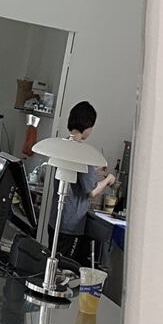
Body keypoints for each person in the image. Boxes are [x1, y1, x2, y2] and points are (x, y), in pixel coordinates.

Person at [47, 101, 115, 266]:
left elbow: (75, 174)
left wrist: (95, 170)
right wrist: (108, 179)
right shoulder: (83, 154)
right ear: (88, 126)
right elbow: (91, 191)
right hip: (71, 224)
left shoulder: (63, 146)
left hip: (55, 220)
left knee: (54, 262)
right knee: (65, 268)